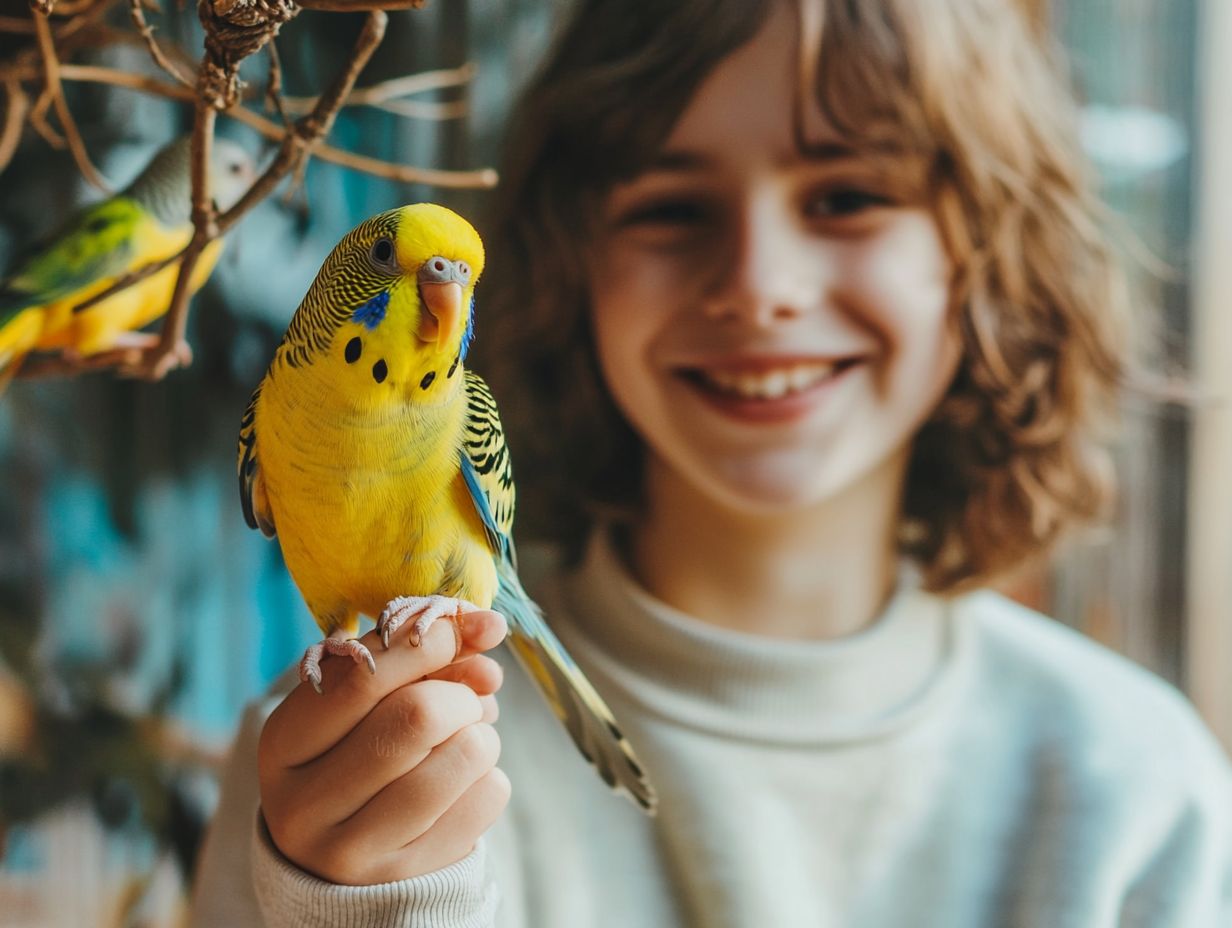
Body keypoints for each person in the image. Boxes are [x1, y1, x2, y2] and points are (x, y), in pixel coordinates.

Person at [190, 0, 1232, 925]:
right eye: (671, 209)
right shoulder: (323, 764)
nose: (757, 284)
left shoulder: (1135, 782)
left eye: (846, 198)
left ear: (989, 254)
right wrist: (350, 905)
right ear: (570, 261)